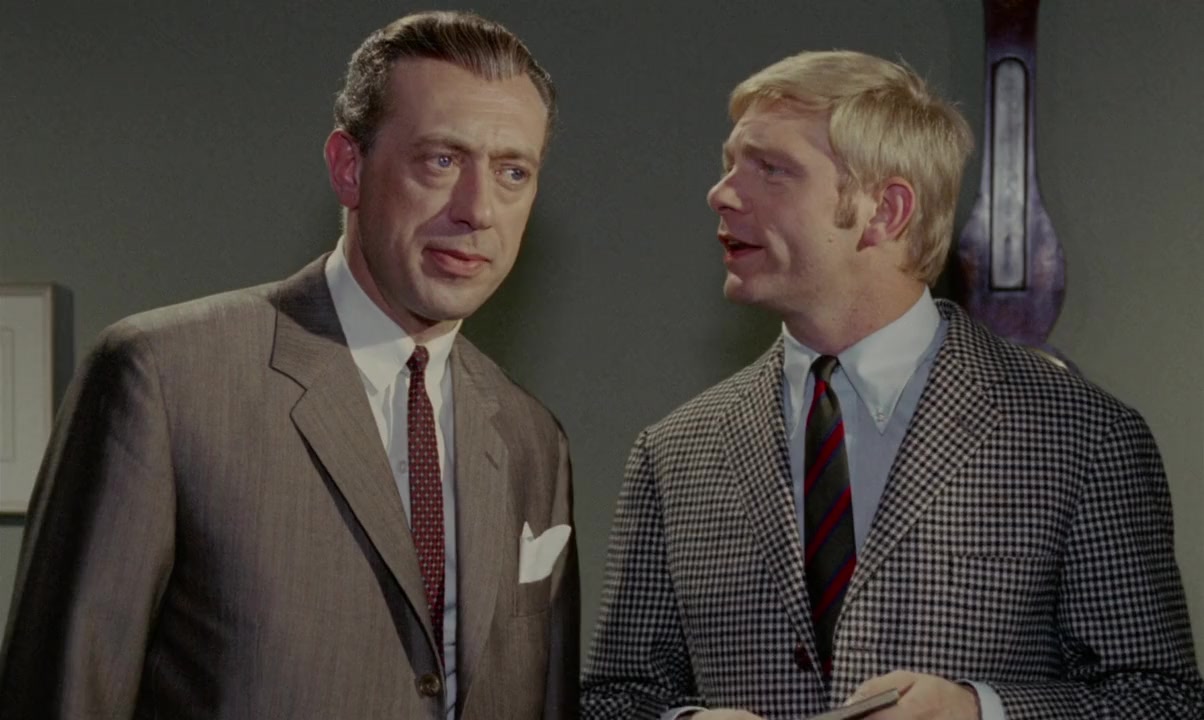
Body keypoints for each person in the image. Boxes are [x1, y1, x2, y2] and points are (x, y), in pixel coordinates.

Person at [581, 50, 1203, 719]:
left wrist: (977, 711)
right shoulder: (674, 452)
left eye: (771, 169)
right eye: (730, 164)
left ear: (886, 210)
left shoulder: (1082, 437)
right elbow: (615, 697)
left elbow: (1158, 700)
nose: (722, 193)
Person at [0, 11, 578, 719]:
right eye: (441, 160)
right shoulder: (164, 381)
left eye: (513, 171)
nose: (478, 209)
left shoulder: (532, 439)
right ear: (348, 167)